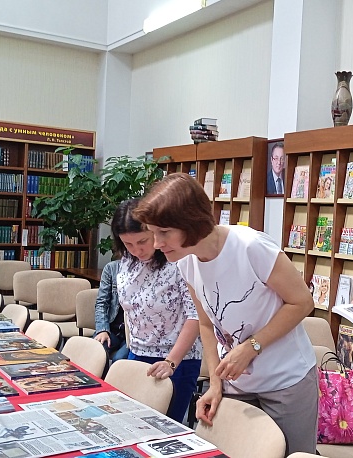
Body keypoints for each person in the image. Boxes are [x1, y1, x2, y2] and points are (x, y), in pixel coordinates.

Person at [134, 173, 318, 456]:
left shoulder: (251, 247)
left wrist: (251, 347)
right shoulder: (186, 262)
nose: (157, 243)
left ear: (190, 222)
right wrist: (216, 384)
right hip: (237, 384)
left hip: (286, 381)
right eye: (153, 233)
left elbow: (302, 303)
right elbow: (206, 324)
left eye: (164, 233)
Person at [110, 198, 202, 423]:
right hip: (138, 353)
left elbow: (196, 315)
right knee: (131, 424)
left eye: (142, 241)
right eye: (128, 245)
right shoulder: (128, 260)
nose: (137, 250)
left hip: (175, 361)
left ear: (155, 231)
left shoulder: (179, 260)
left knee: (162, 430)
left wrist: (171, 362)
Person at [93, 259, 130, 364]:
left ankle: (112, 380)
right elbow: (101, 303)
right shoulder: (111, 268)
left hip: (132, 334)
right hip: (112, 328)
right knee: (95, 351)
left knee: (119, 360)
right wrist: (102, 330)